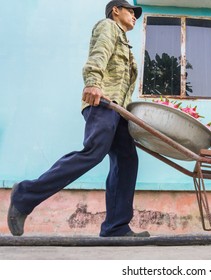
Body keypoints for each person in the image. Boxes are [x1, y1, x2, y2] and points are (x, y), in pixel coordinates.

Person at [7, 0, 150, 238]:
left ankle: (116, 226)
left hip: (118, 111)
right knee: (93, 152)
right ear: (116, 10)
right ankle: (24, 196)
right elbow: (99, 53)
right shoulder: (108, 27)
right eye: (131, 10)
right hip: (102, 103)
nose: (135, 15)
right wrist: (93, 82)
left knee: (127, 161)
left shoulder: (126, 43)